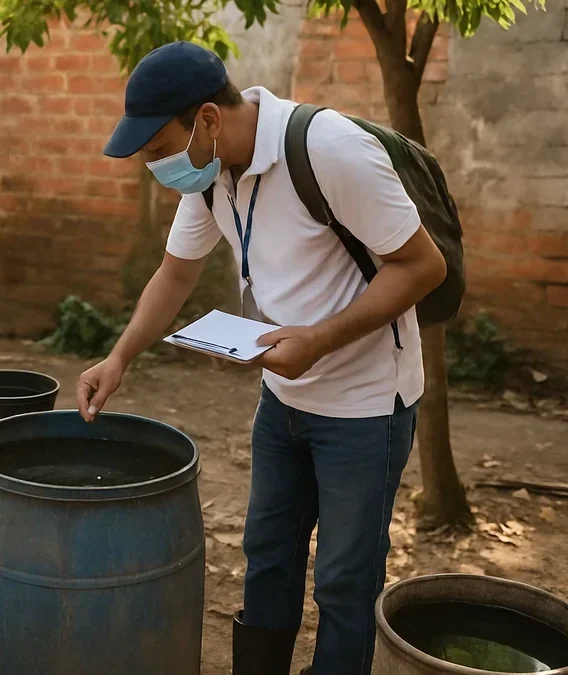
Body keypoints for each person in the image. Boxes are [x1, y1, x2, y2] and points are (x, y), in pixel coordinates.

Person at [76, 42, 447, 675]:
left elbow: (423, 266)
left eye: (159, 148)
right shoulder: (213, 172)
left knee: (343, 580)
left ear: (207, 119)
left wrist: (319, 340)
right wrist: (119, 357)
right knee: (268, 556)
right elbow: (174, 273)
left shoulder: (326, 150)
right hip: (283, 401)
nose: (153, 164)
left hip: (364, 408)